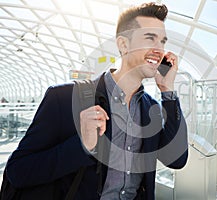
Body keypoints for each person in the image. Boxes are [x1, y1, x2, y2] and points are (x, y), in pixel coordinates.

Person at [4, 2, 188, 200]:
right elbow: (18, 171)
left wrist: (167, 91)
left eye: (162, 41)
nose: (159, 49)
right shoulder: (64, 99)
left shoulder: (150, 107)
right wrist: (83, 145)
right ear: (123, 45)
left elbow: (176, 160)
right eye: (150, 38)